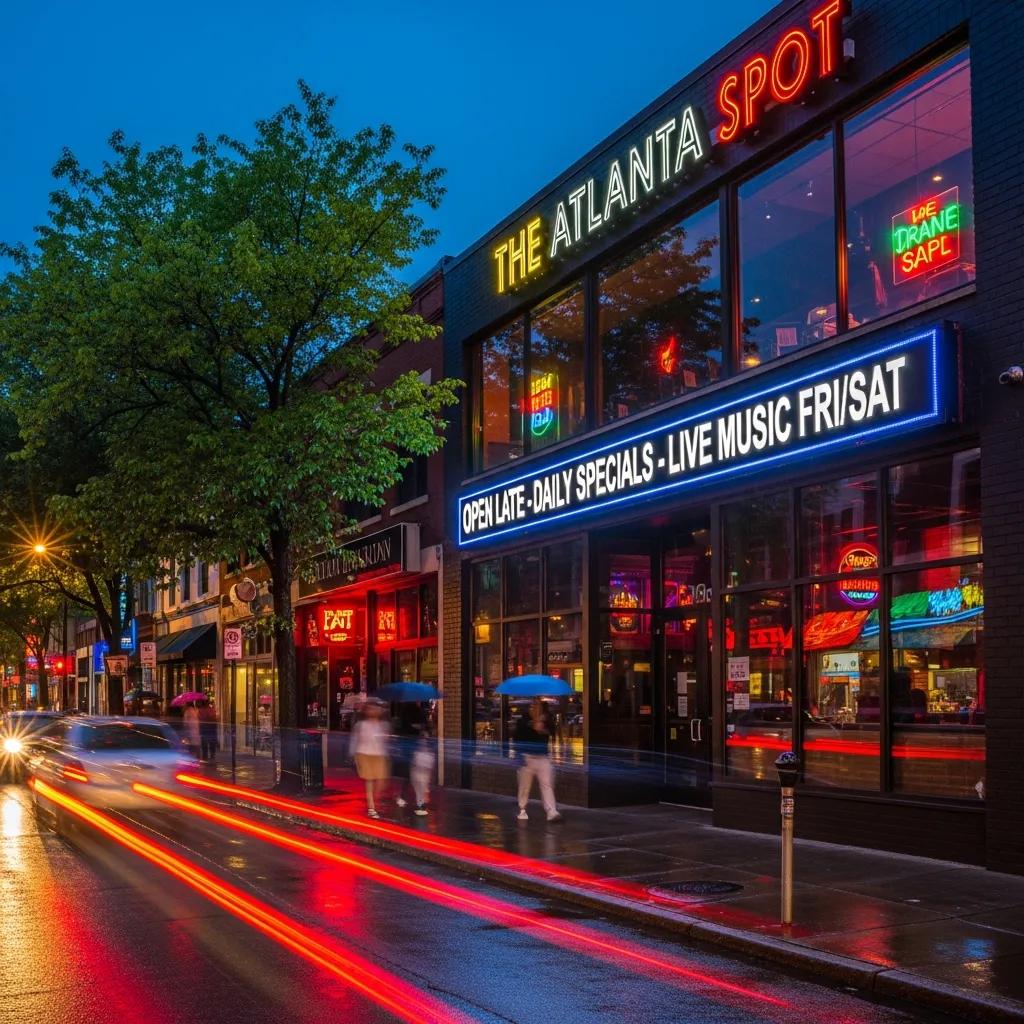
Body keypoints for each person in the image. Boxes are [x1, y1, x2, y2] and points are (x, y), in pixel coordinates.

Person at [513, 698, 562, 823]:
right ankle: (522, 809)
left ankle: (551, 811)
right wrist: (533, 728)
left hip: (542, 758)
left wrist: (543, 726)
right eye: (533, 706)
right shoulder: (523, 721)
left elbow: (552, 732)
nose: (535, 709)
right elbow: (517, 738)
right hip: (527, 757)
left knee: (547, 784)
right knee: (524, 787)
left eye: (538, 706)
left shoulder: (546, 720)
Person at [351, 699, 390, 818]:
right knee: (369, 781)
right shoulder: (361, 725)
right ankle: (371, 807)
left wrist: (385, 738)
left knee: (381, 781)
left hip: (379, 755)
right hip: (365, 754)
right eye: (371, 708)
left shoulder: (383, 725)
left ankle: (374, 801)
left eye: (376, 709)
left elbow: (385, 741)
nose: (374, 711)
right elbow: (355, 741)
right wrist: (354, 756)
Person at [391, 701, 425, 809]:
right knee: (415, 773)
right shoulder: (415, 711)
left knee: (412, 773)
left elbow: (401, 729)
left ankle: (407, 796)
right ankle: (417, 799)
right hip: (415, 745)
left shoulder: (405, 711)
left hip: (409, 746)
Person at [410, 727, 434, 816]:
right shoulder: (419, 751)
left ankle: (420, 804)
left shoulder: (428, 752)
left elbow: (428, 768)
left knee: (422, 787)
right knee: (419, 788)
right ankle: (420, 804)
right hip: (418, 771)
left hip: (422, 771)